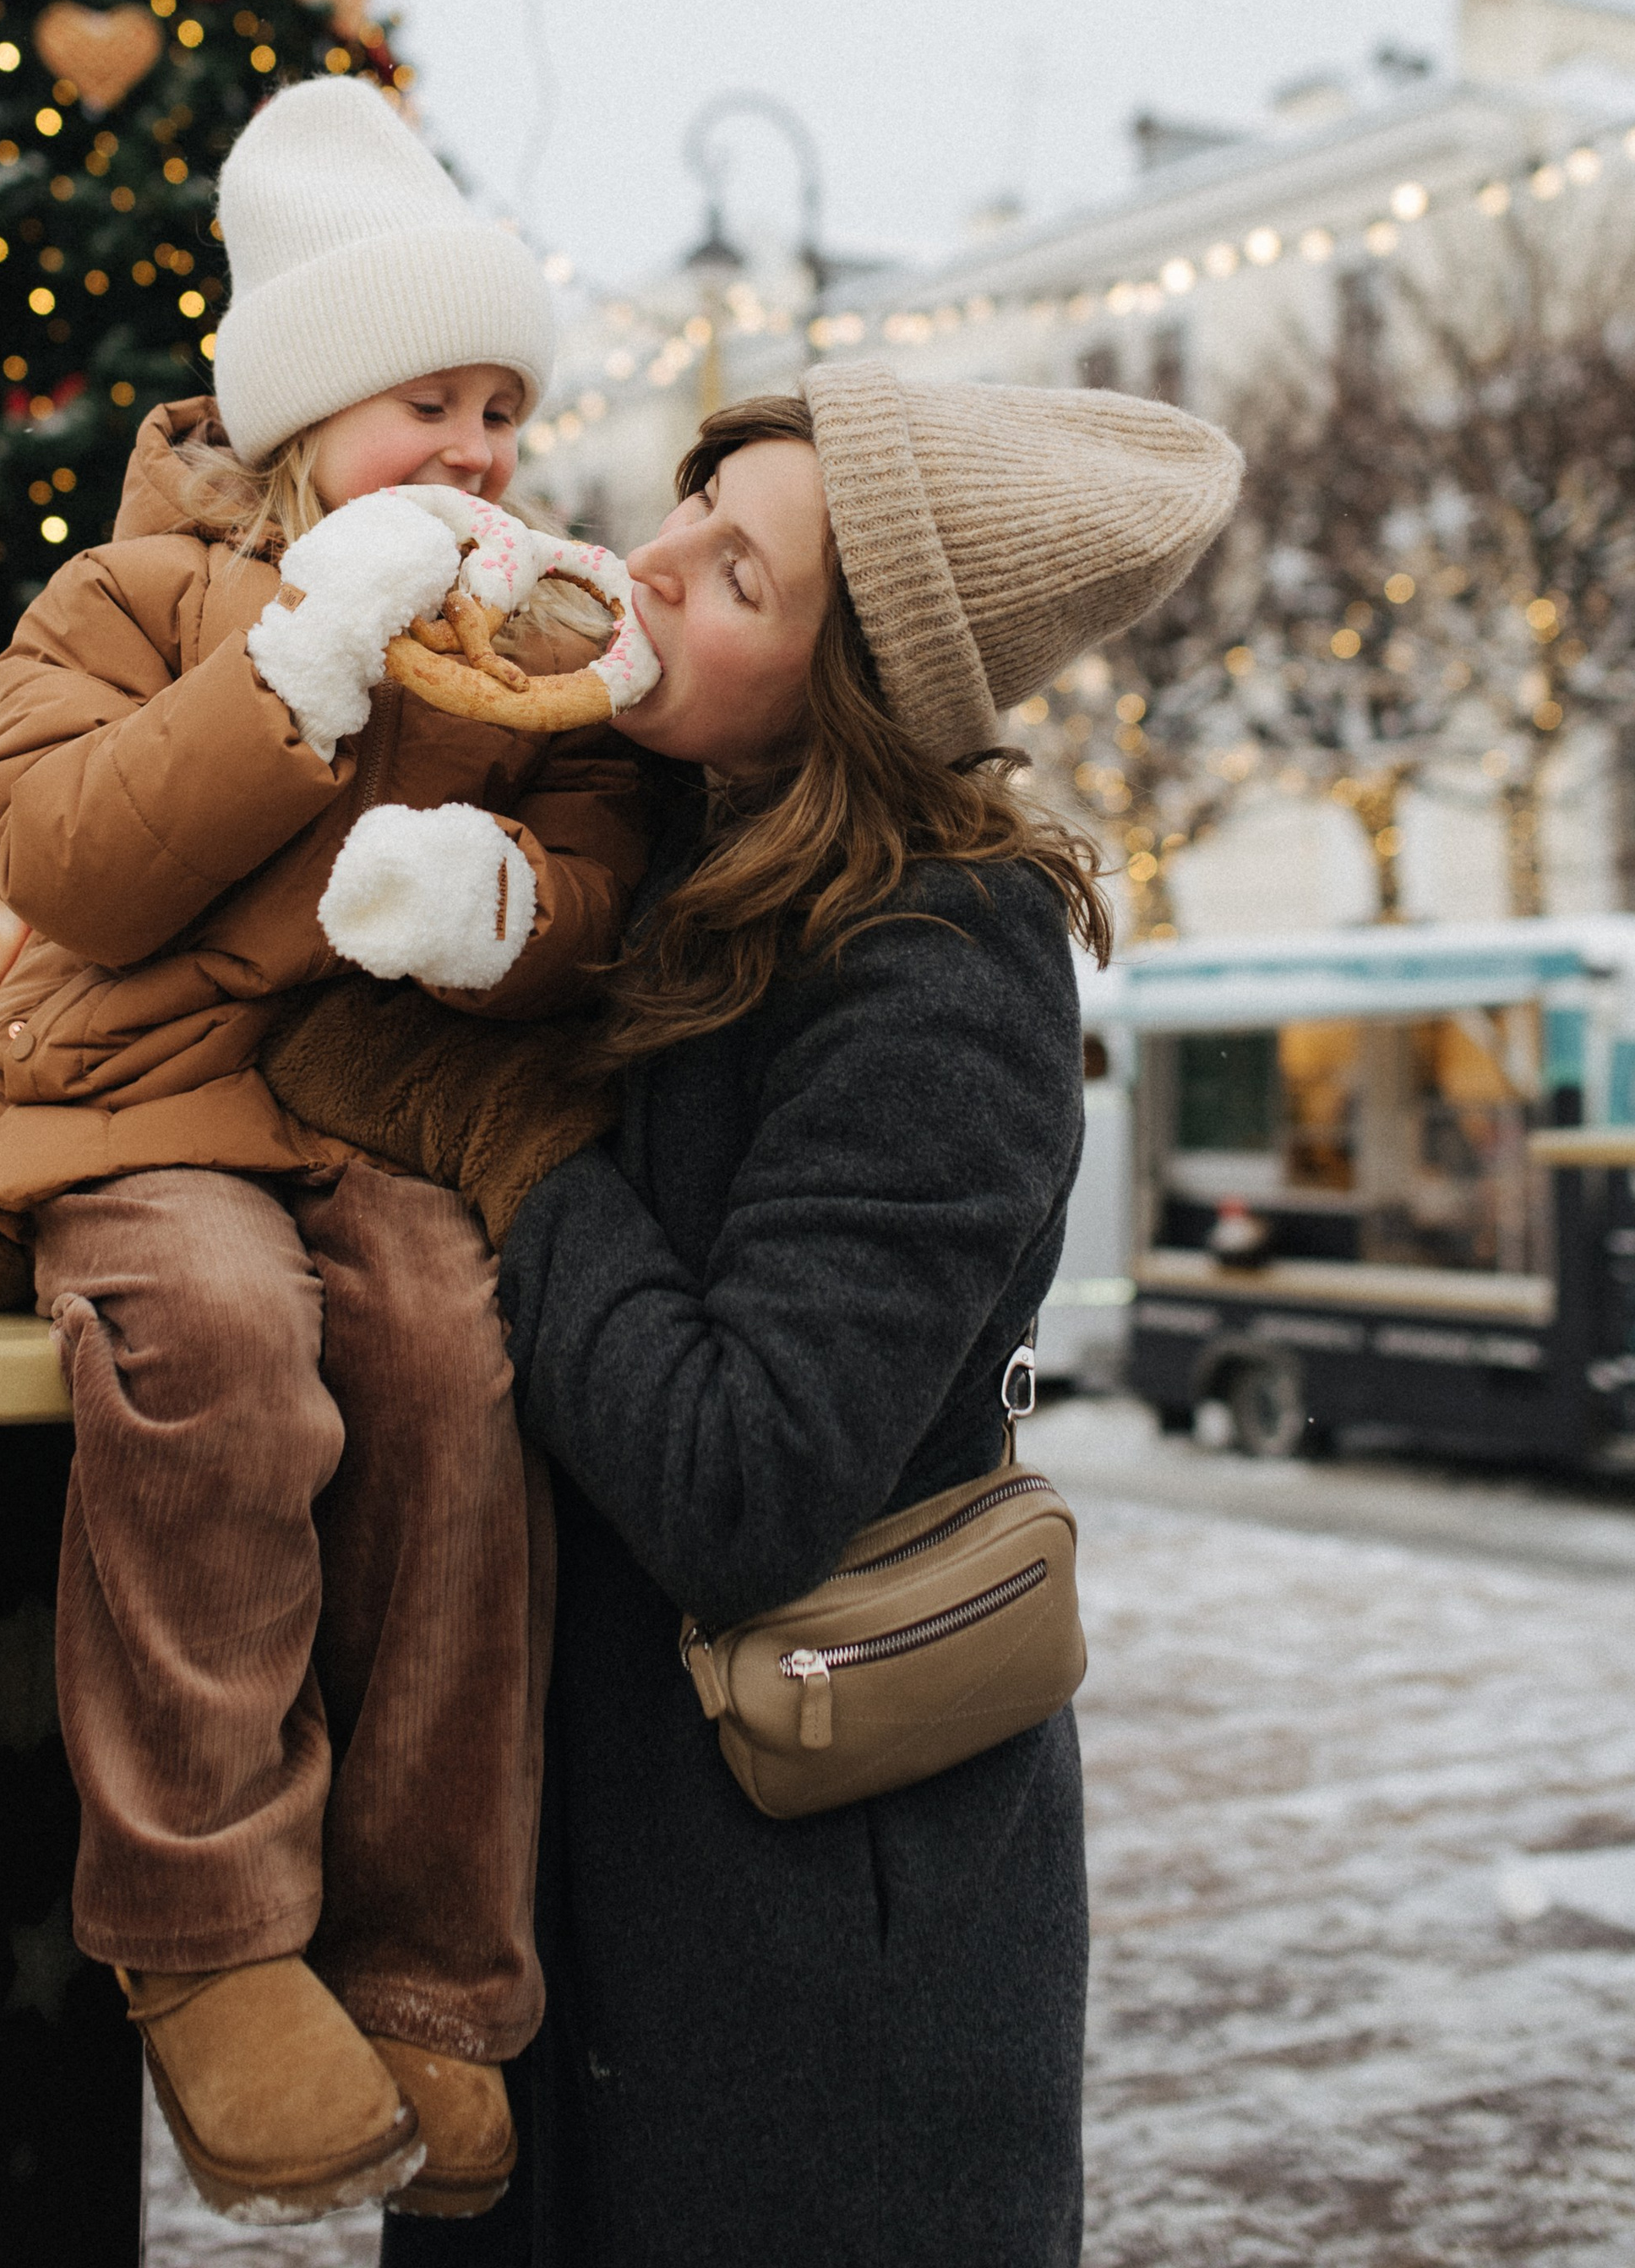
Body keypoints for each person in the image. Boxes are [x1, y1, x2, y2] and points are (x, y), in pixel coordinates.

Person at [0, 79, 658, 2227]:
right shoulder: (119, 599)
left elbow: (593, 874)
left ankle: (431, 1966)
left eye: (505, 404)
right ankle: (204, 1933)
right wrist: (297, 667)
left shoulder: (519, 640)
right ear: (314, 416)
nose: (485, 451)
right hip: (132, 1105)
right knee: (216, 1339)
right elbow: (61, 856)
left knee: (445, 1354)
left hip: (365, 1119)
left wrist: (507, 911)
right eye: (435, 399)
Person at [376, 360, 1241, 2268]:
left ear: (853, 686)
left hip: (807, 1983)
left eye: (740, 574)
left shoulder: (935, 969)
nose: (658, 556)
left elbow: (739, 1478)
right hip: (567, 1919)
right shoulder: (649, 840)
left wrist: (508, 1139)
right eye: (695, 499)